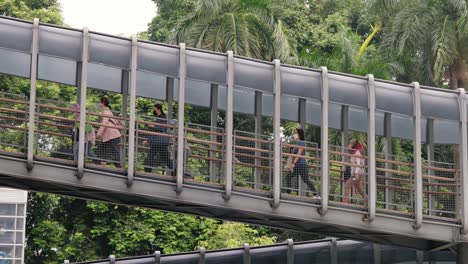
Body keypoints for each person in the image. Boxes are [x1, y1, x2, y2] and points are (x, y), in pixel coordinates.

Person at [284, 128, 320, 200]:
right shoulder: (298, 143)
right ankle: (288, 192)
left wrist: (293, 163)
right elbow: (293, 153)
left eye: (296, 133)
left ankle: (316, 195)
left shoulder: (301, 142)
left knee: (306, 180)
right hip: (298, 165)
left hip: (301, 165)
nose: (295, 134)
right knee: (288, 177)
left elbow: (299, 154)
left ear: (299, 134)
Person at [143, 103, 173, 173]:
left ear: (158, 109)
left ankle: (147, 170)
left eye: (155, 109)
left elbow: (159, 128)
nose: (154, 111)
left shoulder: (161, 118)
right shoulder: (161, 118)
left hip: (158, 141)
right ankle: (174, 170)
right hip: (160, 141)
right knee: (165, 158)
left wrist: (150, 125)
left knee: (151, 155)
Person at [95, 97, 121, 167]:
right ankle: (102, 163)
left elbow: (105, 123)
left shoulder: (106, 111)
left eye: (99, 102)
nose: (98, 104)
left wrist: (99, 133)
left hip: (112, 135)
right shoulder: (108, 111)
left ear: (103, 103)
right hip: (112, 135)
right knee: (104, 149)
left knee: (112, 150)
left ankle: (118, 165)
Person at [343, 139, 368, 204]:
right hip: (358, 174)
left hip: (356, 174)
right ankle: (369, 201)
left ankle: (345, 203)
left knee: (347, 186)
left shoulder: (357, 153)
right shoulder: (354, 153)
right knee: (360, 190)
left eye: (350, 144)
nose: (348, 146)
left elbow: (358, 163)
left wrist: (356, 173)